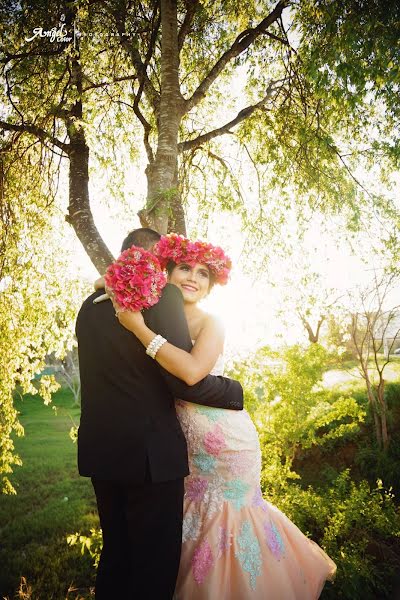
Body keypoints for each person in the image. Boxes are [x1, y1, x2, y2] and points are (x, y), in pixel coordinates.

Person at [115, 233, 337, 600]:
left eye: (203, 274)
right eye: (185, 268)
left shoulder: (210, 322)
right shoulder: (154, 307)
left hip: (228, 443)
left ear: (210, 285)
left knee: (229, 518)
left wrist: (139, 329)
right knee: (193, 517)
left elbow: (190, 374)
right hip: (185, 442)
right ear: (165, 271)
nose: (193, 278)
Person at [75, 227, 244, 600]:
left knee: (117, 558)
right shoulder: (159, 299)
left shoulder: (89, 304)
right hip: (150, 458)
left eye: (202, 272)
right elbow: (185, 381)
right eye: (177, 265)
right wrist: (235, 390)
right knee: (154, 568)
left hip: (102, 453)